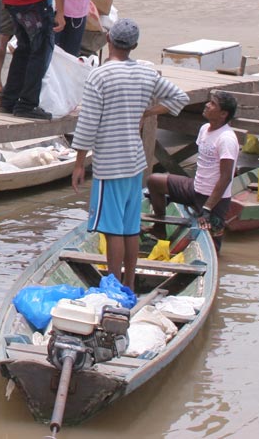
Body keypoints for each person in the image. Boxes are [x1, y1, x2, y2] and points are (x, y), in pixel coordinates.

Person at [70, 19, 189, 291]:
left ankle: (113, 285)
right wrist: (147, 111)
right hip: (135, 161)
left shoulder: (99, 75)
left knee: (112, 230)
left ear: (108, 39)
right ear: (134, 46)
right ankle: (130, 282)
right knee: (130, 226)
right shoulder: (147, 74)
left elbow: (88, 123)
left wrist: (78, 164)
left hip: (110, 163)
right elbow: (178, 99)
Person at [146, 91, 239, 250]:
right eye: (209, 102)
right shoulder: (204, 129)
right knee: (154, 181)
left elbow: (226, 178)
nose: (207, 105)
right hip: (194, 188)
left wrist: (207, 208)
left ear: (223, 114)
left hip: (213, 200)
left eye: (213, 104)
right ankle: (159, 228)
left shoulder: (226, 139)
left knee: (212, 247)